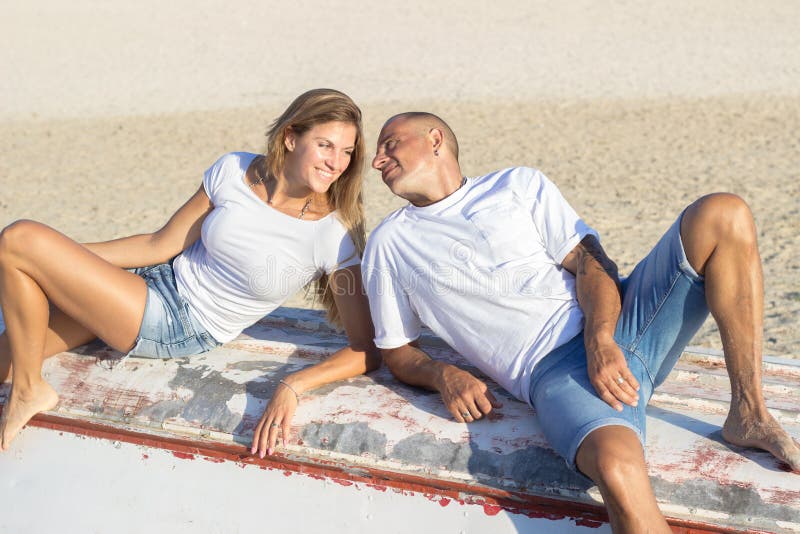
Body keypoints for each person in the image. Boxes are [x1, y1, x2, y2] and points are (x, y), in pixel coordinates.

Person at [361, 112, 799, 533]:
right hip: (554, 371)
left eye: (390, 144)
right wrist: (442, 374)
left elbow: (591, 264)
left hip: (622, 319)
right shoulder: (390, 243)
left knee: (723, 212)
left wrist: (601, 341)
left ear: (435, 140)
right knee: (617, 468)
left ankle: (749, 411)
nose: (378, 160)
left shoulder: (517, 184)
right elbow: (397, 349)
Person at [0, 88, 380, 458]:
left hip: (178, 324)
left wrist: (294, 385)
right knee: (8, 348)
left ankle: (29, 389)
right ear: (290, 137)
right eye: (326, 145)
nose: (337, 162)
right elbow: (159, 244)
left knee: (19, 238)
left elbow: (365, 349)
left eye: (347, 152)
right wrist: (65, 260)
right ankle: (24, 381)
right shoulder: (235, 169)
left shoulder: (334, 233)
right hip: (148, 281)